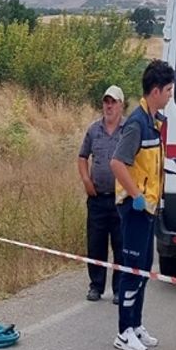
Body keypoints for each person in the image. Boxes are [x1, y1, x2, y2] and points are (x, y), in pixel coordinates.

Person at [109, 59, 175, 350]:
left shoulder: (153, 121)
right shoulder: (136, 123)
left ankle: (136, 325)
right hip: (134, 208)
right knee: (132, 269)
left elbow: (146, 162)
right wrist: (135, 194)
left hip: (149, 208)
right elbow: (117, 162)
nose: (171, 95)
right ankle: (123, 331)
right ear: (156, 90)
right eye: (169, 90)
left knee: (144, 268)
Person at [77, 85, 125, 303]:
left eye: (113, 102)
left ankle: (118, 289)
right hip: (97, 198)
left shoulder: (128, 130)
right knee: (96, 244)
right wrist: (86, 180)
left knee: (120, 245)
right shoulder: (93, 130)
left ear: (121, 105)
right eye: (106, 101)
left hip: (120, 199)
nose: (109, 106)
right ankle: (96, 286)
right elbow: (82, 157)